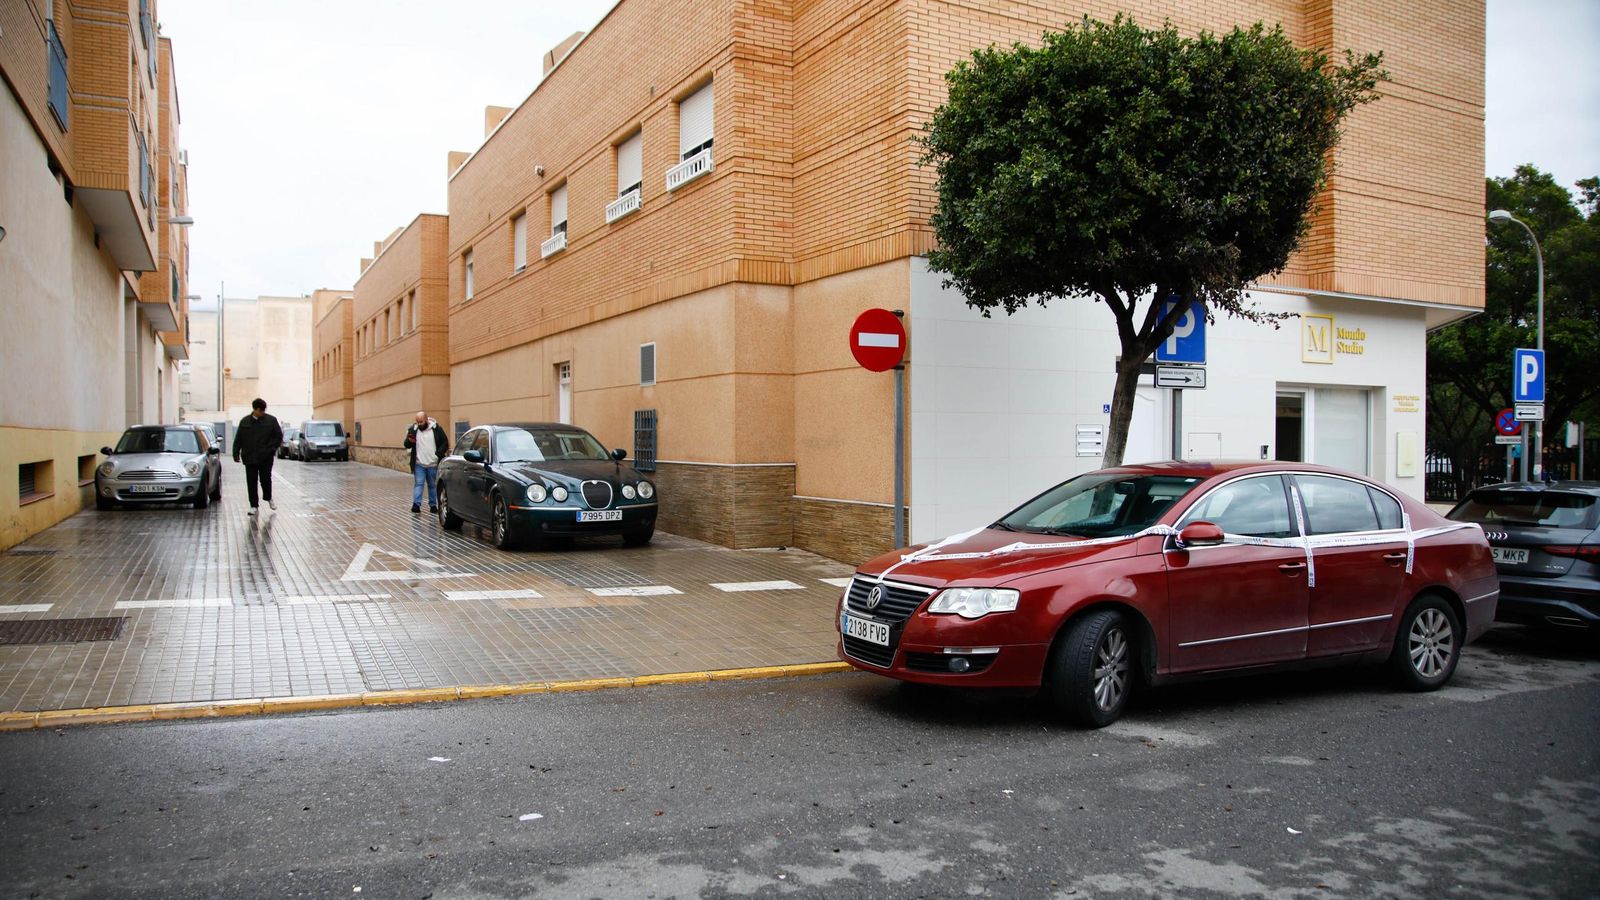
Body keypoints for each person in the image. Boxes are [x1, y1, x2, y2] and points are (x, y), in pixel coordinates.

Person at [233, 398, 283, 515]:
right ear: (255, 409)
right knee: (251, 482)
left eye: (264, 411)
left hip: (265, 457)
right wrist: (236, 453)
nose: (262, 413)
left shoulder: (271, 420)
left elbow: (278, 436)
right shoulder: (245, 422)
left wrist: (271, 449)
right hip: (249, 457)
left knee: (265, 479)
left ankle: (268, 497)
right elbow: (238, 439)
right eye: (261, 411)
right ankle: (253, 505)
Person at [404, 411, 449, 514]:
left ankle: (433, 506)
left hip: (433, 463)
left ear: (426, 420)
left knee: (432, 485)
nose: (419, 424)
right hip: (419, 463)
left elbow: (444, 442)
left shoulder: (436, 429)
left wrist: (438, 454)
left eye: (421, 422)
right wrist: (409, 441)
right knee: (419, 484)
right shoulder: (414, 430)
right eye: (417, 422)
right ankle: (416, 505)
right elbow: (406, 444)